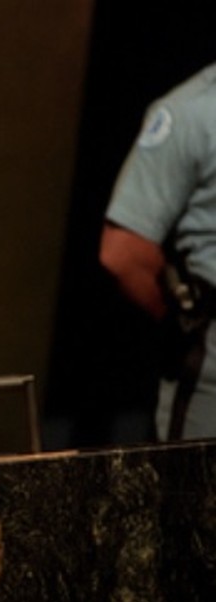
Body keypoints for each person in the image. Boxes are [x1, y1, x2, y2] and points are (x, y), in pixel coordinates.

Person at [99, 62, 216, 441]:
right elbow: (124, 254)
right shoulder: (190, 112)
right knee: (198, 494)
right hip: (210, 366)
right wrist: (185, 323)